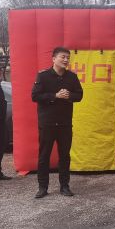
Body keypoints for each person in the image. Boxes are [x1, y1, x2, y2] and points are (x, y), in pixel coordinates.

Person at [31, 47, 83, 199]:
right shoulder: (43, 76)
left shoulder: (72, 77)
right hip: (47, 123)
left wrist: (69, 96)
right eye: (63, 57)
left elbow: (79, 95)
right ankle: (42, 187)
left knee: (65, 156)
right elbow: (35, 96)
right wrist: (55, 96)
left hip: (65, 123)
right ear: (54, 59)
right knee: (44, 156)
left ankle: (64, 186)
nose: (66, 60)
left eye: (68, 57)